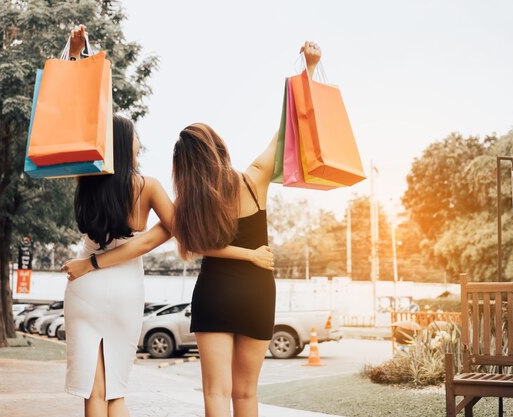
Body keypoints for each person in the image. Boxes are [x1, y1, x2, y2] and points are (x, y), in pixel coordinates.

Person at [60, 25, 274, 417]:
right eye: (137, 137)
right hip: (125, 286)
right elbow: (182, 237)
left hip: (83, 285)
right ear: (128, 145)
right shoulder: (150, 188)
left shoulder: (85, 178)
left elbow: (75, 126)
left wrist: (75, 59)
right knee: (117, 390)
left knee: (95, 389)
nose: (141, 142)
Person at [169, 42, 321, 417]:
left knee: (216, 394)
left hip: (214, 293)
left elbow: (190, 244)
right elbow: (287, 130)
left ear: (184, 167)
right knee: (247, 394)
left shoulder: (189, 202)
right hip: (256, 291)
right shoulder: (254, 179)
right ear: (219, 148)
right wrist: (310, 71)